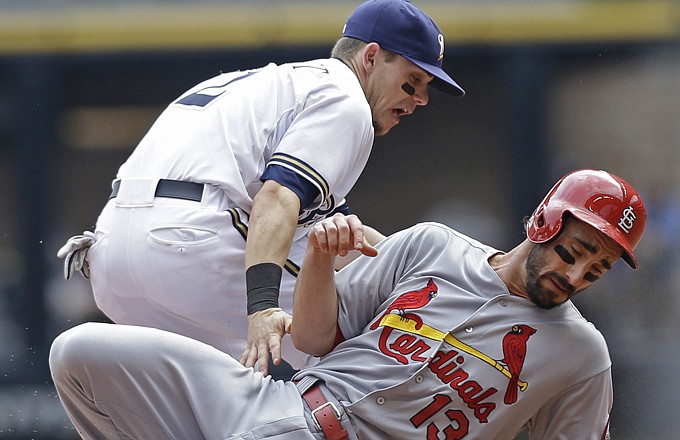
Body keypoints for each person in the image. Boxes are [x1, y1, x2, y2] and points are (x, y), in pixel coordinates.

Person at [50, 169, 646, 439]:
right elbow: (313, 340)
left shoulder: (581, 354)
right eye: (574, 251)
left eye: (597, 268)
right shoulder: (431, 245)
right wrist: (318, 260)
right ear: (545, 221)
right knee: (80, 355)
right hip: (275, 403)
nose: (576, 273)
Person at [55, 0, 465, 375]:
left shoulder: (266, 82)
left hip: (110, 259)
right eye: (413, 80)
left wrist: (417, 262)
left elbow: (326, 236)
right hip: (188, 248)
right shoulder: (346, 99)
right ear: (371, 57)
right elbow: (277, 199)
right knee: (356, 324)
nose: (421, 99)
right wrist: (263, 307)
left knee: (207, 403)